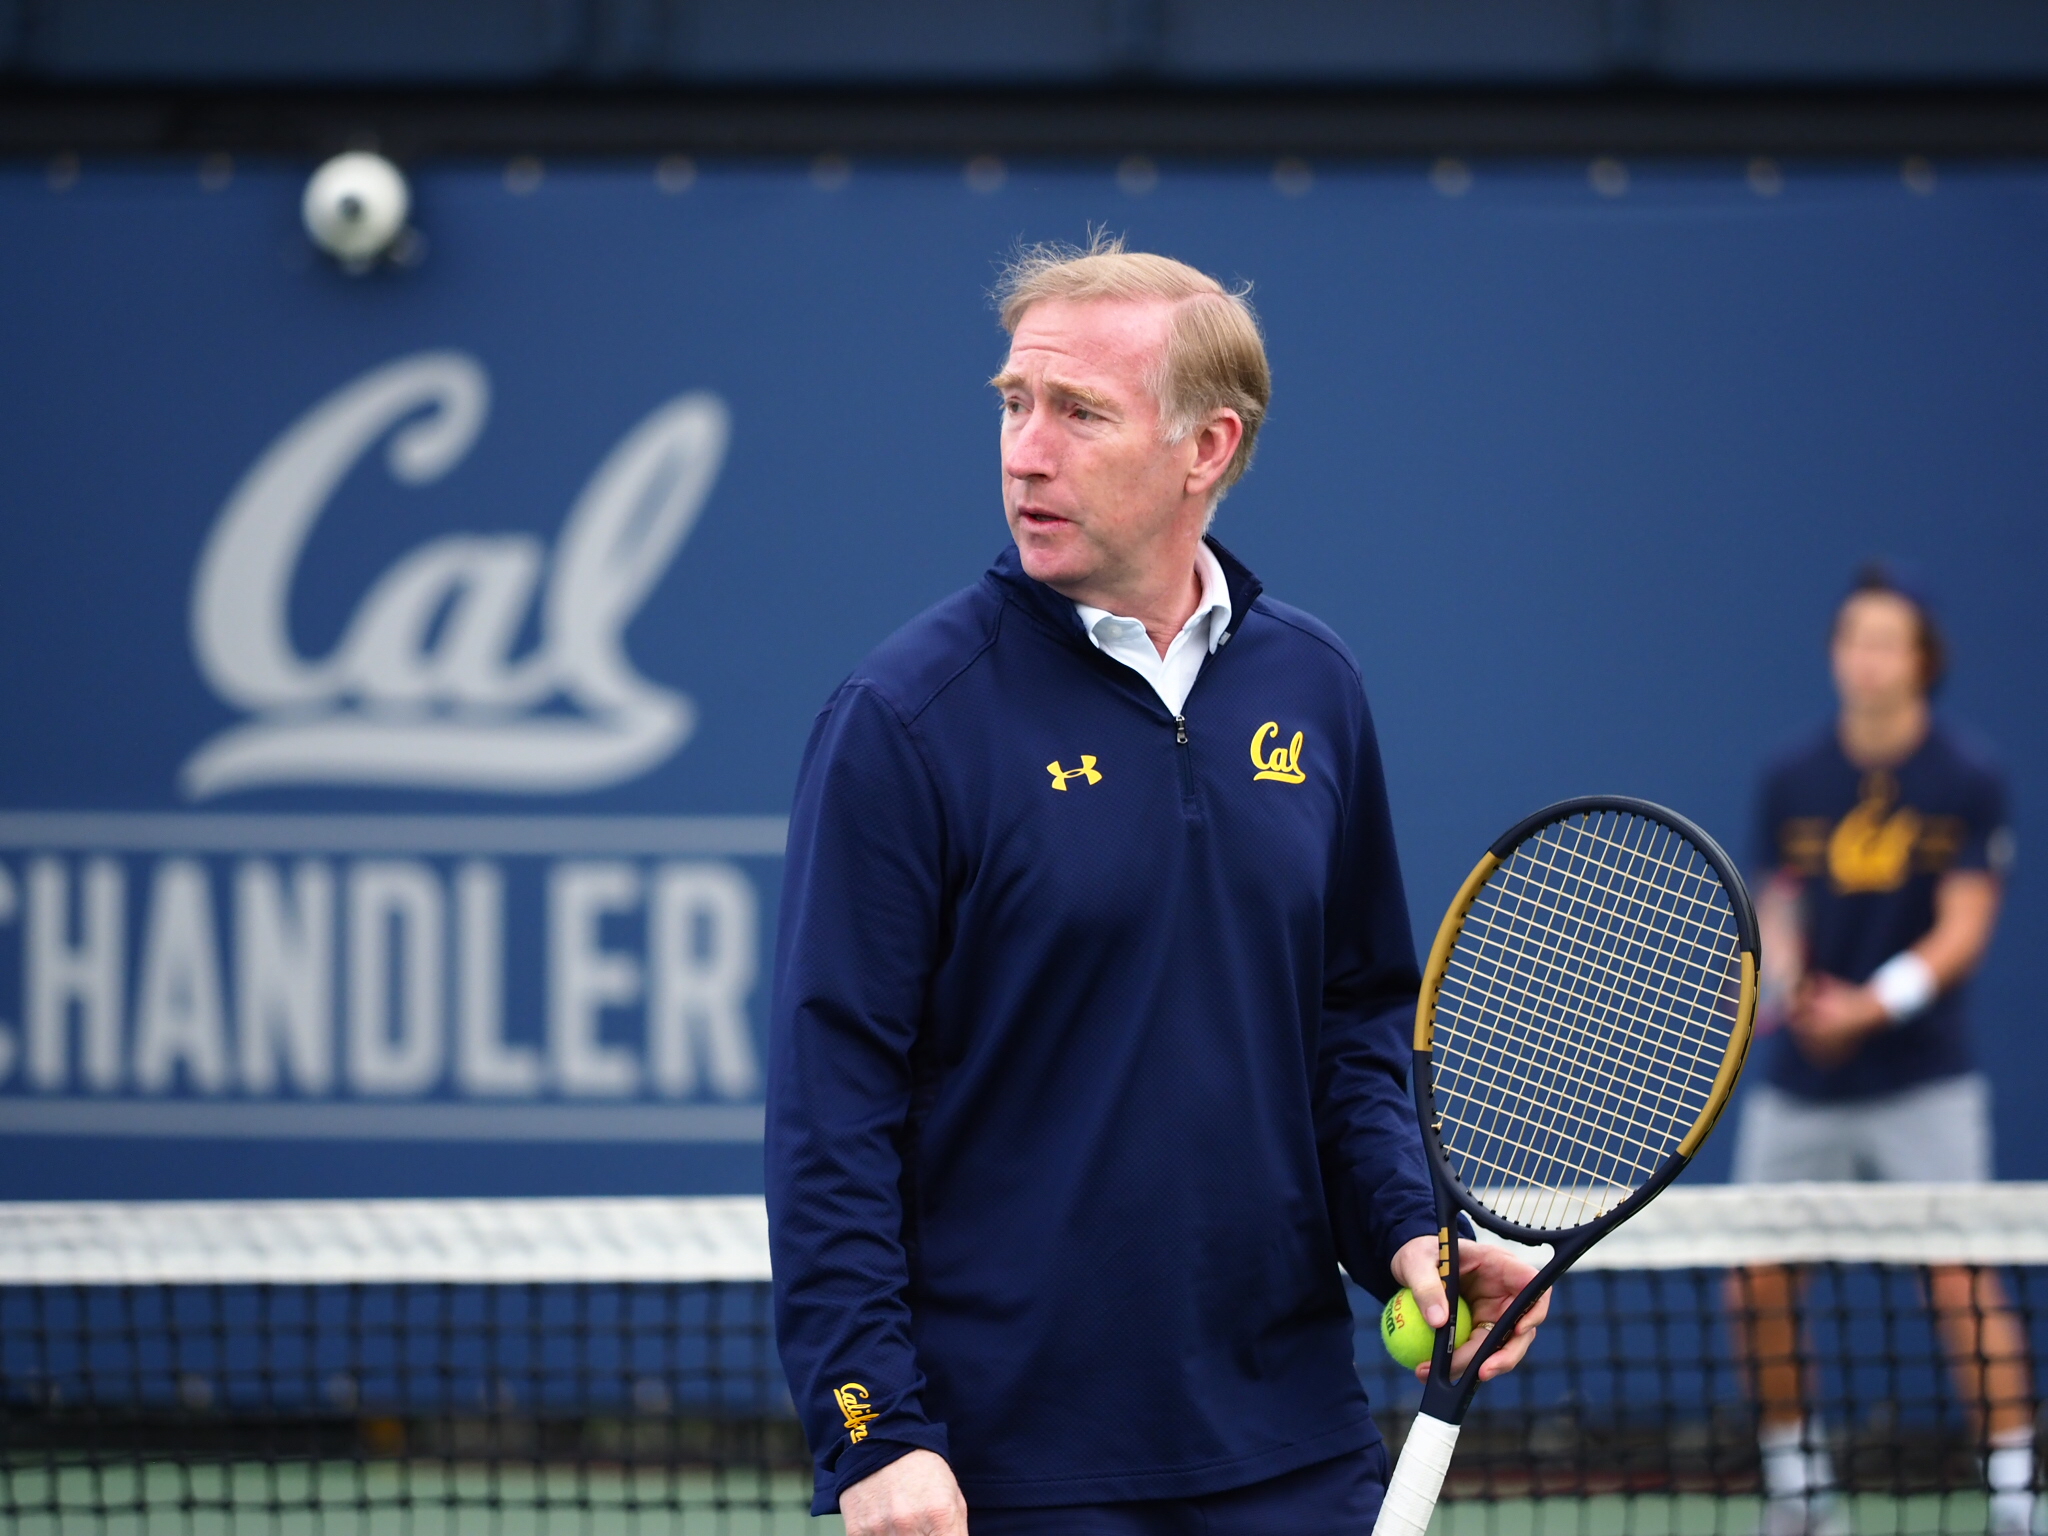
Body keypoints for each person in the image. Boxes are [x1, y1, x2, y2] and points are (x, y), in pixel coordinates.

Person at [765, 237, 1548, 1536]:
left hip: (1291, 1447)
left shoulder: (1315, 689)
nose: (1027, 450)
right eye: (1014, 403)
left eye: (1080, 413)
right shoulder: (902, 721)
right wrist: (874, 1429)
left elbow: (1348, 1033)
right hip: (1008, 1468)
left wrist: (1412, 1234)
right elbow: (831, 1104)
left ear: (1209, 448)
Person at [1727, 563, 2031, 1536]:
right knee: (1752, 1278)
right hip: (1802, 1085)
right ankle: (1799, 1494)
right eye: (1850, 638)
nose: (1863, 658)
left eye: (1884, 641)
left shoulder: (1965, 777)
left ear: (1919, 663)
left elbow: (1962, 926)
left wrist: (1873, 1002)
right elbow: (1777, 906)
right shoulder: (1790, 776)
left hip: (1919, 1082)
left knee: (1958, 1277)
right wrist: (1789, 982)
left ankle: (2018, 1497)